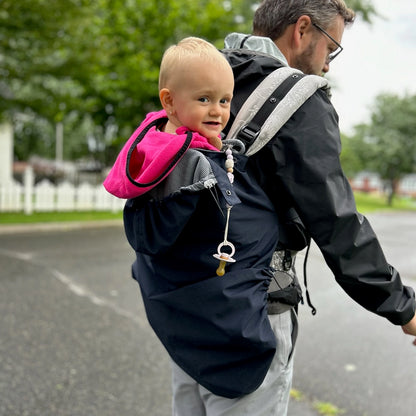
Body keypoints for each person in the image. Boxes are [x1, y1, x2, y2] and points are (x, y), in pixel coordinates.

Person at [103, 36, 233, 199]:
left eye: (224, 101)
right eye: (204, 99)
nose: (217, 111)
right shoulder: (192, 155)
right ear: (169, 101)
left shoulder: (154, 134)